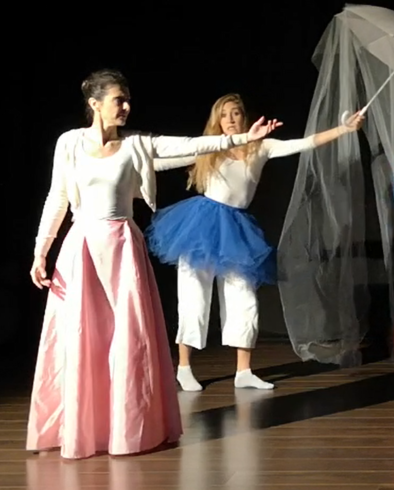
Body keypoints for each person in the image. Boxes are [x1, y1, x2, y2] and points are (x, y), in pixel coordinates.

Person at [28, 69, 282, 460]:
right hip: (82, 247)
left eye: (128, 99)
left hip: (121, 246)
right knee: (81, 336)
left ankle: (128, 428)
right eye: (119, 100)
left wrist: (241, 138)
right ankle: (81, 427)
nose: (126, 107)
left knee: (128, 337)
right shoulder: (70, 143)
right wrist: (41, 250)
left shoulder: (137, 145)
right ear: (95, 104)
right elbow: (57, 196)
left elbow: (192, 145)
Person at [145, 93, 365, 392]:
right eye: (224, 115)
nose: (230, 119)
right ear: (217, 121)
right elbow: (160, 162)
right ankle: (184, 368)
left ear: (244, 116)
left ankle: (244, 371)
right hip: (200, 227)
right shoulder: (210, 148)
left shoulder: (260, 147)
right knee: (194, 298)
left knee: (244, 300)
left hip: (236, 230)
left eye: (235, 113)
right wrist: (126, 157)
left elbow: (305, 143)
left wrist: (345, 128)